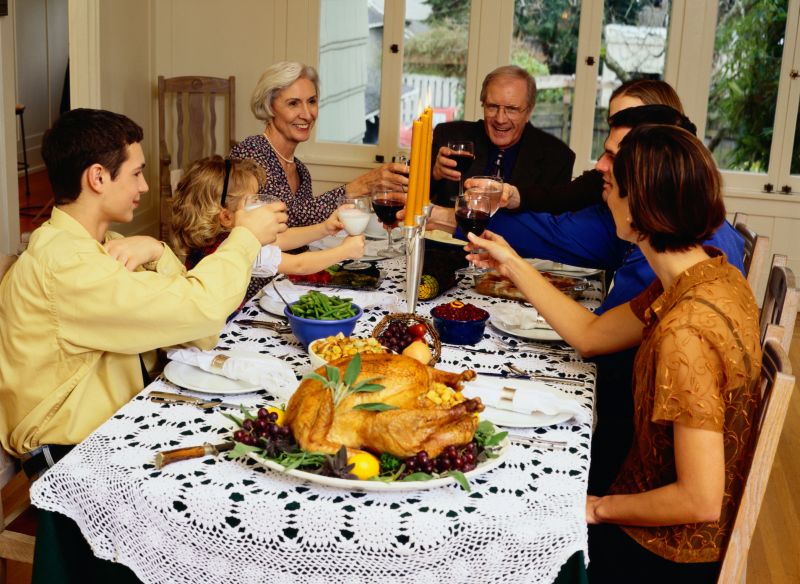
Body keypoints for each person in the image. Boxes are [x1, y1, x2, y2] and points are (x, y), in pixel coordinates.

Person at [468, 125, 762, 582]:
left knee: (496, 529)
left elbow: (700, 499)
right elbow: (591, 335)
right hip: (652, 510)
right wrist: (513, 263)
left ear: (638, 207)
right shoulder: (708, 274)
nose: (602, 179)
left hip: (663, 551)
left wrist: (596, 507)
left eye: (613, 180)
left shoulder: (686, 332)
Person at [0, 109, 287, 474]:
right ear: (98, 177)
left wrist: (157, 250)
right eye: (136, 173)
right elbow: (203, 310)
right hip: (74, 455)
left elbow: (198, 331)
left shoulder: (105, 246)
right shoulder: (68, 266)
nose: (145, 187)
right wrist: (245, 239)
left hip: (124, 418)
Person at [230, 61, 409, 227]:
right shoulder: (250, 155)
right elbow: (285, 222)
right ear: (268, 107)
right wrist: (358, 187)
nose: (307, 115)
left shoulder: (300, 170)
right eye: (293, 103)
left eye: (312, 101)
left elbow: (306, 224)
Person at [170, 156, 365, 293]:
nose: (261, 206)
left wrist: (323, 229)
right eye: (253, 201)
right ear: (227, 217)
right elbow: (299, 265)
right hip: (218, 334)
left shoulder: (224, 237)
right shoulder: (233, 247)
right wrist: (345, 251)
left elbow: (280, 239)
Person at [429, 65, 579, 211]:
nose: (500, 119)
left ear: (528, 112)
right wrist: (434, 175)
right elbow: (412, 198)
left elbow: (552, 225)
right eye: (492, 106)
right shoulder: (449, 136)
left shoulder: (558, 158)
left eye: (512, 109)